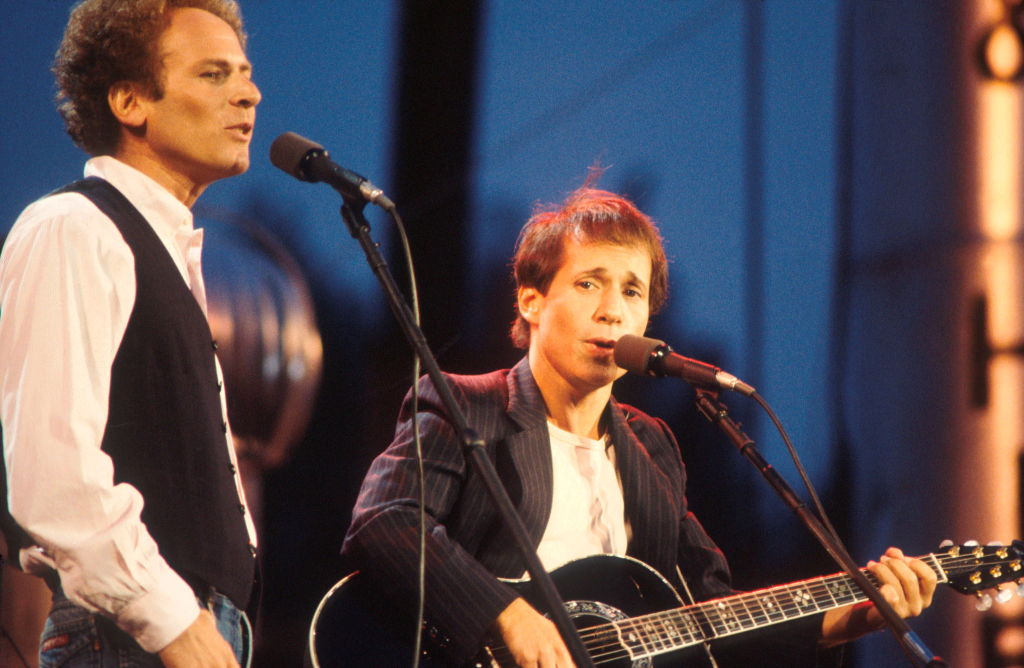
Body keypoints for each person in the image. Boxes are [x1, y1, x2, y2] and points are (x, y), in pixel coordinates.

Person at [340, 185, 938, 667]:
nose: (613, 308)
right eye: (588, 283)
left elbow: (712, 617)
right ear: (531, 301)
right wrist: (505, 614)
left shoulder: (653, 448)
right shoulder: (464, 405)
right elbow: (385, 521)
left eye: (633, 290)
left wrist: (850, 618)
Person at [0, 1, 261, 666]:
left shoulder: (162, 249)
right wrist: (177, 623)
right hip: (127, 638)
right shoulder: (74, 227)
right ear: (129, 101)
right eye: (213, 73)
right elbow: (54, 479)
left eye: (245, 72)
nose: (248, 92)